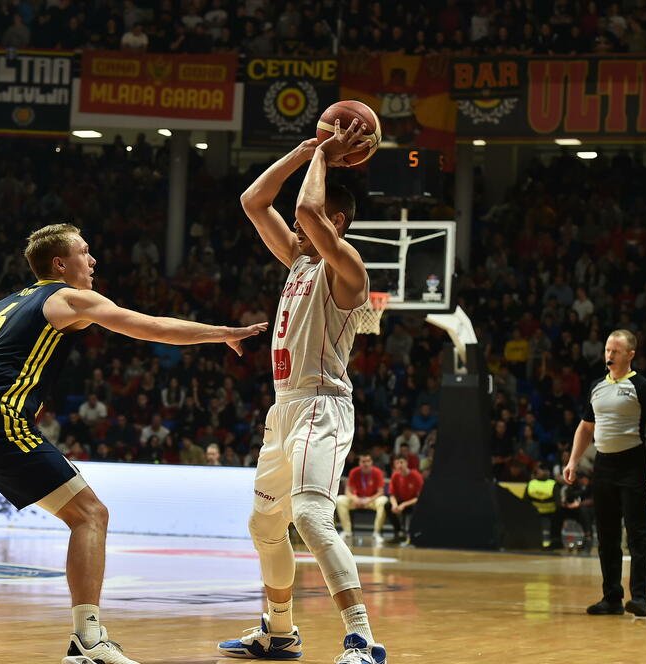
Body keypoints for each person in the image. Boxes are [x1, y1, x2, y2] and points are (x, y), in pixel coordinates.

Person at [0, 224, 265, 663]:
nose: (93, 260)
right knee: (90, 515)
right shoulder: (67, 298)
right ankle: (88, 639)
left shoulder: (3, 303)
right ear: (60, 264)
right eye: (84, 252)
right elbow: (152, 327)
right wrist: (222, 332)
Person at [218, 122, 388, 664]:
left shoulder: (349, 267)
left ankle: (362, 640)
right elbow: (253, 201)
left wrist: (327, 160)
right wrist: (306, 150)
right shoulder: (299, 261)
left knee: (312, 517)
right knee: (264, 525)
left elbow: (308, 211)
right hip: (284, 408)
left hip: (322, 405)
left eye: (305, 223)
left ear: (336, 223)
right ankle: (279, 632)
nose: (294, 227)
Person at [564, 329, 646, 618]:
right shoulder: (597, 386)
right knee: (607, 535)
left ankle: (640, 598)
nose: (609, 355)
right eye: (608, 350)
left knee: (636, 533)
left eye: (616, 351)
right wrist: (573, 461)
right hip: (604, 465)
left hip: (632, 464)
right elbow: (586, 427)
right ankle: (611, 597)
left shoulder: (642, 386)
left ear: (630, 355)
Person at [336, 453, 388, 544]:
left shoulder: (377, 472)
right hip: (357, 500)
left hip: (371, 501)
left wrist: (369, 500)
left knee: (383, 501)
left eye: (368, 461)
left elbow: (380, 492)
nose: (366, 464)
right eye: (363, 461)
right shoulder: (354, 472)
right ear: (359, 463)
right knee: (340, 499)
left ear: (371, 462)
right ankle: (347, 532)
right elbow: (348, 491)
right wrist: (354, 499)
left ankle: (376, 533)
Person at [385, 454, 422, 544]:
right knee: (387, 506)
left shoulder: (416, 475)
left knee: (418, 508)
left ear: (406, 463)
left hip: (412, 503)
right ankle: (398, 533)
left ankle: (412, 535)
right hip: (400, 501)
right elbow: (392, 494)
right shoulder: (395, 475)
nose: (399, 465)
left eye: (401, 462)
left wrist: (404, 505)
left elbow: (419, 497)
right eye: (397, 463)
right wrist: (394, 505)